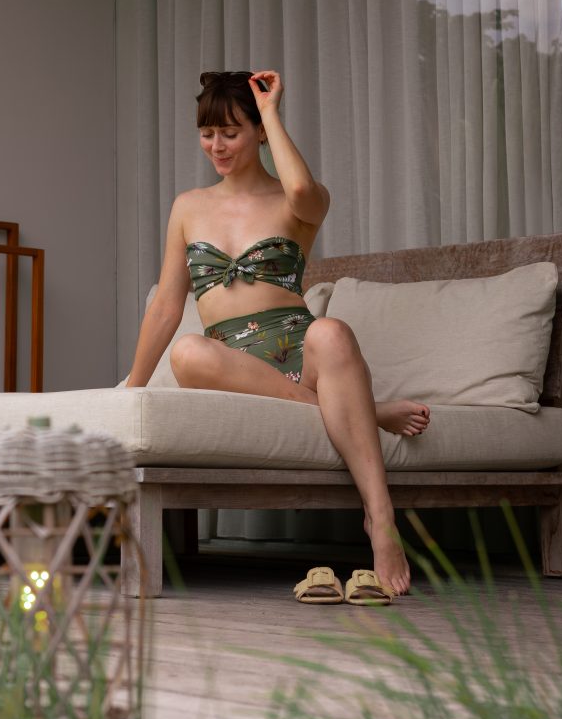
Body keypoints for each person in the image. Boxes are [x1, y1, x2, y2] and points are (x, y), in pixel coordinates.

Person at [124, 68, 428, 598]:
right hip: (231, 361)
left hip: (295, 345)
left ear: (259, 133)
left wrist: (270, 111)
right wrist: (132, 390)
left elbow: (305, 189)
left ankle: (381, 523)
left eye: (231, 132)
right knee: (188, 352)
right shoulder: (188, 206)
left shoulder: (296, 203)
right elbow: (169, 306)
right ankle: (365, 412)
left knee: (332, 331)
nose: (216, 145)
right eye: (207, 132)